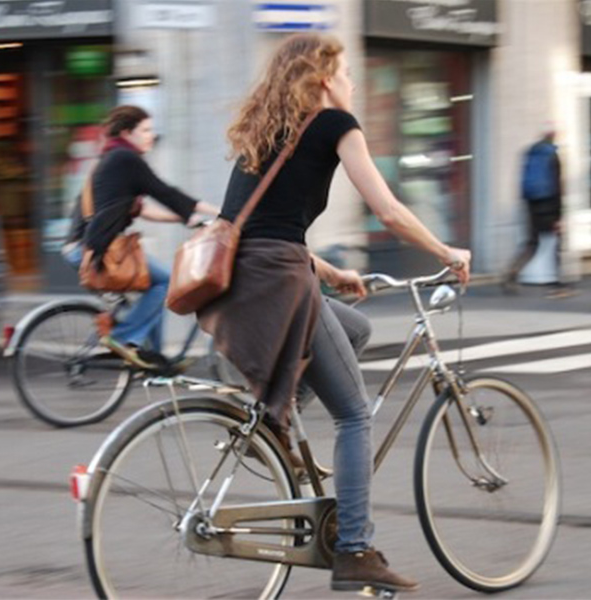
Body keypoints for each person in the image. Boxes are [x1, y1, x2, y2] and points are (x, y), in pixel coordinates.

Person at [196, 33, 470, 593]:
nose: (352, 83)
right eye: (345, 72)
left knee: (356, 326)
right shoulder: (336, 124)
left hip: (248, 277)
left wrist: (331, 271)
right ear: (323, 77)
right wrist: (446, 252)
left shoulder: (266, 130)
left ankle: (278, 417)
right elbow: (388, 210)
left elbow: (258, 225)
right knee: (354, 415)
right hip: (278, 280)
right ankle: (354, 550)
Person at [63, 105, 218, 370]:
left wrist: (187, 218)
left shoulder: (112, 158)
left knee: (153, 285)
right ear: (127, 132)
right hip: (95, 250)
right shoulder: (125, 159)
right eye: (145, 130)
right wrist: (219, 212)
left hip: (84, 247)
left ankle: (154, 361)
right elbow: (166, 192)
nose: (151, 135)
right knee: (165, 282)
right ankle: (122, 339)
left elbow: (144, 209)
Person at [503, 128, 575, 298]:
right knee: (557, 244)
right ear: (554, 139)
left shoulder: (530, 153)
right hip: (549, 205)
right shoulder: (553, 156)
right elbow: (558, 187)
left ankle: (512, 273)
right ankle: (558, 284)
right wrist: (559, 216)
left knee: (532, 244)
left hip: (531, 205)